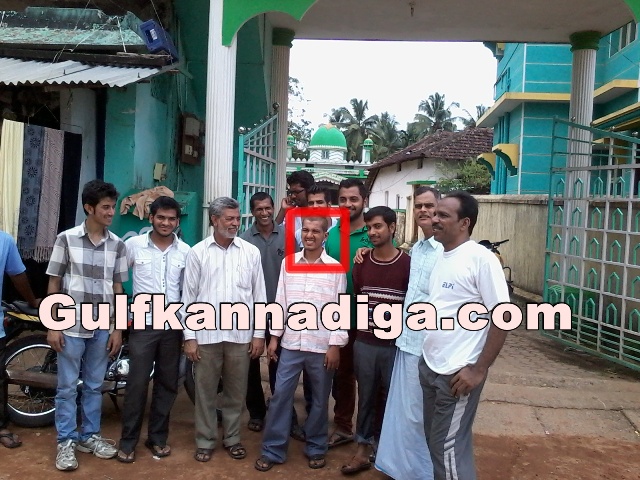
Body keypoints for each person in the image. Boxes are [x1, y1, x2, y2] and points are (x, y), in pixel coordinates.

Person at [420, 191, 510, 480]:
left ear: (464, 223)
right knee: (441, 443)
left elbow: (503, 317)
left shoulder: (481, 260)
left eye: (443, 215)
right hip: (431, 366)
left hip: (458, 374)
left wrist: (478, 369)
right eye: (435, 213)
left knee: (444, 448)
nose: (434, 219)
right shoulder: (442, 255)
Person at [46, 180, 128, 471]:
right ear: (89, 208)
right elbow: (54, 282)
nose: (111, 212)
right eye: (105, 207)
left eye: (112, 206)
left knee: (94, 385)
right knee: (67, 387)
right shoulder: (66, 239)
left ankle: (89, 436)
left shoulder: (117, 244)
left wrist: (118, 328)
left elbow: (118, 287)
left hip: (102, 326)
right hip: (70, 325)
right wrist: (53, 324)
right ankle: (66, 441)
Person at [255, 217, 347, 472]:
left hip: (321, 345)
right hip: (291, 344)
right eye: (305, 230)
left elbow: (339, 308)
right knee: (280, 396)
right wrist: (274, 338)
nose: (309, 235)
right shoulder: (289, 263)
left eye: (316, 231)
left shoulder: (335, 268)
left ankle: (316, 446)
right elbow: (281, 301)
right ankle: (273, 449)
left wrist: (335, 345)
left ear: (325, 236)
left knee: (319, 400)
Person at [181, 197, 266, 463]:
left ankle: (232, 438)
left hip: (240, 336)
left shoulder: (250, 252)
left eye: (237, 218)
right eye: (229, 218)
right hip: (206, 335)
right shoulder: (198, 253)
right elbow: (188, 298)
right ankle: (205, 440)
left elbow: (259, 296)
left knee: (236, 392)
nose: (234, 223)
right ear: (214, 220)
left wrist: (259, 334)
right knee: (205, 391)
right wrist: (190, 337)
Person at [117, 196, 190, 463]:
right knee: (136, 384)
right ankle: (128, 442)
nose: (166, 223)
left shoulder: (186, 252)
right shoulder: (133, 246)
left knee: (167, 384)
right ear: (151, 218)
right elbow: (117, 280)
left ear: (177, 221)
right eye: (161, 217)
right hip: (143, 326)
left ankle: (157, 438)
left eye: (171, 219)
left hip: (172, 326)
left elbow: (187, 292)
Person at [375, 186, 442, 480]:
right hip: (407, 341)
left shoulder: (447, 251)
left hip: (430, 346)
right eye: (419, 206)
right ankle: (401, 468)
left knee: (421, 414)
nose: (423, 210)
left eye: (429, 206)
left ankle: (425, 473)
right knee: (403, 411)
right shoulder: (417, 249)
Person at [341, 206, 410, 475]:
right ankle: (362, 449)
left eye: (378, 226)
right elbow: (360, 296)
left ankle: (387, 453)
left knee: (392, 399)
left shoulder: (408, 264)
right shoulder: (361, 262)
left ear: (392, 227)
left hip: (395, 346)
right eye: (369, 227)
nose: (372, 232)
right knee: (366, 397)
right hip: (365, 342)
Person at [325, 178, 372, 448]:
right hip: (338, 315)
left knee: (370, 377)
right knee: (342, 375)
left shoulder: (374, 232)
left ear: (364, 200)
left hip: (369, 315)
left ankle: (371, 432)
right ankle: (343, 426)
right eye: (342, 199)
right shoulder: (332, 234)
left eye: (353, 199)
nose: (348, 204)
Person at [239, 192, 287, 433]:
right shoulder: (244, 240)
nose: (264, 213)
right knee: (251, 364)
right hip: (252, 312)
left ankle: (281, 414)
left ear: (273, 208)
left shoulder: (288, 236)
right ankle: (256, 413)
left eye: (268, 208)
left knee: (280, 365)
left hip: (281, 311)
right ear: (252, 211)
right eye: (259, 209)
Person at [0, 232, 40, 449]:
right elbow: (17, 276)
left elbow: (18, 275)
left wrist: (32, 302)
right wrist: (33, 301)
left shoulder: (4, 241)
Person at [275, 170, 315, 250]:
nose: (293, 196)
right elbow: (274, 233)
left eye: (297, 192)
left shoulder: (324, 215)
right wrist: (283, 210)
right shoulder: (290, 214)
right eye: (291, 192)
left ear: (309, 190)